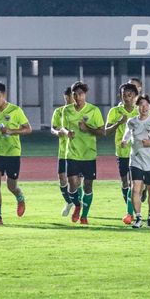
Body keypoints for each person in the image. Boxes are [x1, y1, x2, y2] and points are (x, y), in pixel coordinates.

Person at [0, 82, 32, 225]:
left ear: (4, 95)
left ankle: (20, 197)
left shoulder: (16, 110)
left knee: (11, 185)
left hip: (13, 153)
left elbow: (28, 129)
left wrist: (11, 131)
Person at [60, 81, 104, 225]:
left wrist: (87, 128)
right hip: (72, 153)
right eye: (75, 94)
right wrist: (68, 132)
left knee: (87, 186)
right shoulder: (66, 110)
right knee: (72, 185)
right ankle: (77, 205)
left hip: (88, 154)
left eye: (80, 94)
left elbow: (102, 131)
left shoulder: (94, 110)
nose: (78, 97)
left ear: (85, 95)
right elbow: (63, 128)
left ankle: (84, 216)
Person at [121, 94, 150, 228]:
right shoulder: (131, 121)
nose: (144, 108)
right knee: (136, 189)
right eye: (141, 105)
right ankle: (138, 218)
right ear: (137, 107)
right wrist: (125, 141)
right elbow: (128, 133)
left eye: (146, 105)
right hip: (136, 160)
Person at [105, 83, 139, 224]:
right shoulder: (115, 111)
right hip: (122, 153)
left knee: (135, 184)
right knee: (125, 182)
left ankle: (130, 213)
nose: (127, 98)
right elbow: (106, 131)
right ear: (120, 96)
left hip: (138, 153)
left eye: (130, 95)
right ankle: (130, 207)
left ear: (135, 96)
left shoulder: (141, 110)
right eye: (124, 95)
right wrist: (119, 122)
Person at [50, 87, 75, 216]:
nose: (67, 101)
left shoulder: (79, 112)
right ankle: (68, 201)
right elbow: (53, 128)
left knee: (75, 181)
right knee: (62, 178)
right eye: (66, 99)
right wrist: (57, 132)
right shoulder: (59, 111)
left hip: (76, 151)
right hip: (63, 151)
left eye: (69, 98)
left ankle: (77, 205)